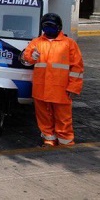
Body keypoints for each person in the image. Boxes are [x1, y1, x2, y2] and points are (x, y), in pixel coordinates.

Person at [22, 12, 83, 147]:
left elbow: (77, 68)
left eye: (51, 26)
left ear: (59, 27)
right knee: (44, 117)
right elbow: (26, 58)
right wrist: (32, 55)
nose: (48, 29)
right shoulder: (36, 42)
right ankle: (49, 140)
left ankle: (65, 142)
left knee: (63, 119)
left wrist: (73, 87)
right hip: (41, 89)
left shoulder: (69, 44)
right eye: (46, 26)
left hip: (61, 90)